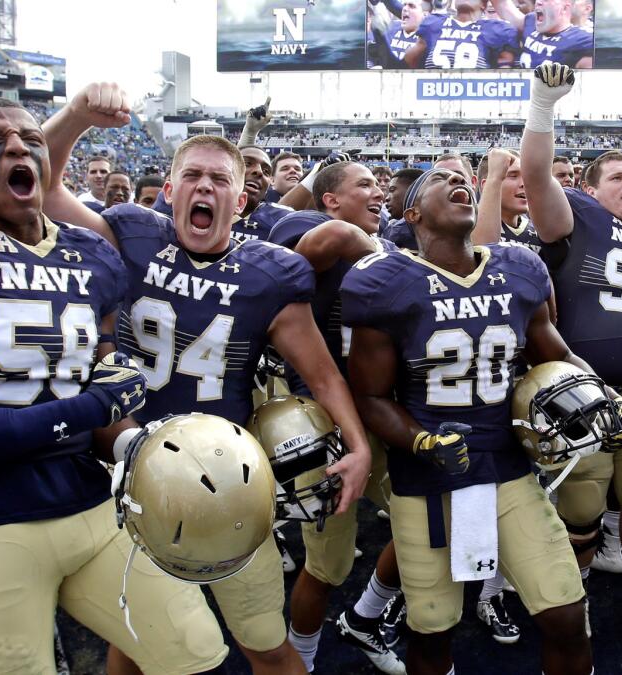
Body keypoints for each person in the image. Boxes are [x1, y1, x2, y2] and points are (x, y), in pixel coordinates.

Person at [0, 94, 230, 674]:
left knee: (193, 653)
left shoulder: (90, 253)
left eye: (31, 140)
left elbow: (105, 378)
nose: (17, 146)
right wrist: (85, 411)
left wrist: (131, 444)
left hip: (88, 503)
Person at [42, 83, 373, 675]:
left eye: (220, 180)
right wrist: (73, 119)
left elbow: (321, 373)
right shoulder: (129, 236)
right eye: (192, 175)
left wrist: (360, 445)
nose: (205, 187)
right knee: (136, 641)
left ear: (240, 201)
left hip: (227, 484)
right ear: (169, 191)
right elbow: (38, 191)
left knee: (267, 647)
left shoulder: (270, 274)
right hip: (129, 471)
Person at [341, 167, 597, 674]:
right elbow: (369, 395)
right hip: (428, 481)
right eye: (441, 179)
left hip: (508, 469)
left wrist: (600, 392)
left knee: (567, 612)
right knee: (432, 629)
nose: (460, 180)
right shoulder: (384, 281)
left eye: (464, 177)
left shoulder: (519, 267)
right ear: (412, 213)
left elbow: (557, 354)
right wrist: (420, 441)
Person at [521, 63, 622, 640]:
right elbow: (537, 174)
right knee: (582, 507)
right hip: (580, 397)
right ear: (590, 190)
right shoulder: (579, 219)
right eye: (616, 177)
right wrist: (544, 105)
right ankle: (579, 596)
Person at [265, 161, 406, 674]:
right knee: (326, 567)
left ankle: (366, 617)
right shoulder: (314, 232)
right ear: (330, 199)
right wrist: (370, 252)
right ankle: (300, 657)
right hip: (327, 428)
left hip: (384, 417)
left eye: (380, 185)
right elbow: (323, 243)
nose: (379, 191)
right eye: (364, 184)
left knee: (429, 524)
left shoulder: (393, 247)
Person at [404, 0, 518, 69]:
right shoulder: (433, 23)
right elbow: (409, 63)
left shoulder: (497, 30)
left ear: (483, 4)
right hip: (433, 97)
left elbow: (505, 76)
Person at [491, 0, 594, 68]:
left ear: (565, 8)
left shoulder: (583, 41)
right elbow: (502, 4)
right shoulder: (531, 22)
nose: (538, 2)